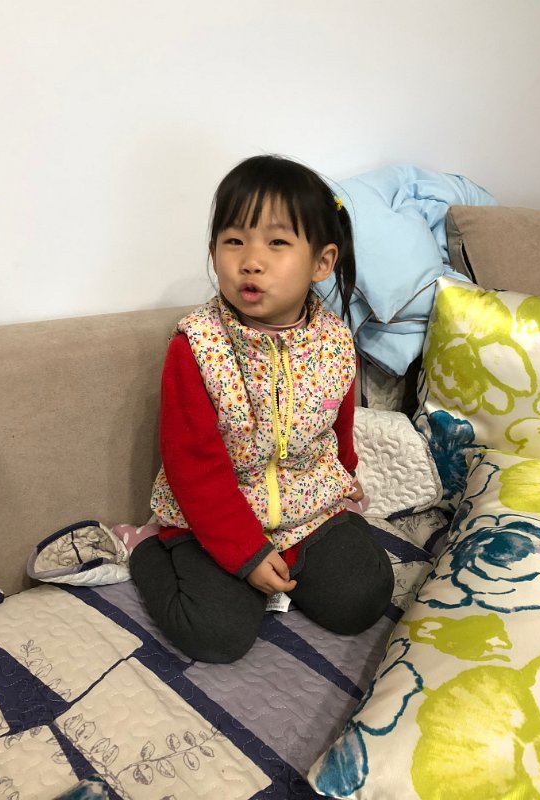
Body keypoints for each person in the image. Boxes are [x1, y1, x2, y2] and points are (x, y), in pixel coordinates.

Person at [126, 154, 394, 663]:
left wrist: (345, 473)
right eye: (234, 241)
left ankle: (298, 562)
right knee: (216, 635)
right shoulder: (196, 347)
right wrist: (245, 553)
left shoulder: (336, 341)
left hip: (307, 508)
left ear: (322, 262)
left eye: (276, 242)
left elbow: (338, 424)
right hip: (211, 518)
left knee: (365, 596)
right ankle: (144, 550)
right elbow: (192, 466)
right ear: (214, 252)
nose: (251, 260)